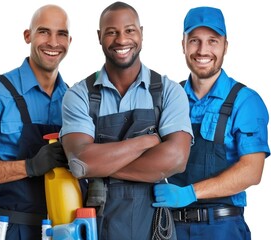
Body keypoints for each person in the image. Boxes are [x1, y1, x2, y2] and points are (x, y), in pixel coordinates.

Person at [60, 2, 193, 240]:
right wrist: (147, 142)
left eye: (129, 30)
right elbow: (80, 161)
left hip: (153, 227)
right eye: (112, 32)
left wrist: (100, 164)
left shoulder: (168, 92)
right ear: (100, 37)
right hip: (98, 226)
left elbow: (176, 159)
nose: (121, 40)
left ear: (141, 33)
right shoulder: (79, 95)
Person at [152, 6, 270, 240]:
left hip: (222, 228)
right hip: (170, 227)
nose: (203, 50)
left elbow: (252, 171)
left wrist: (191, 193)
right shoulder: (168, 98)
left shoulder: (245, 101)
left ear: (225, 45)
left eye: (212, 41)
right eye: (195, 40)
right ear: (183, 44)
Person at [0, 4, 72, 239]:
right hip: (9, 230)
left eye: (61, 33)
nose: (53, 42)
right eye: (43, 31)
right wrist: (29, 167)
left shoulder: (73, 100)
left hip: (62, 230)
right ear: (27, 36)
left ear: (70, 41)